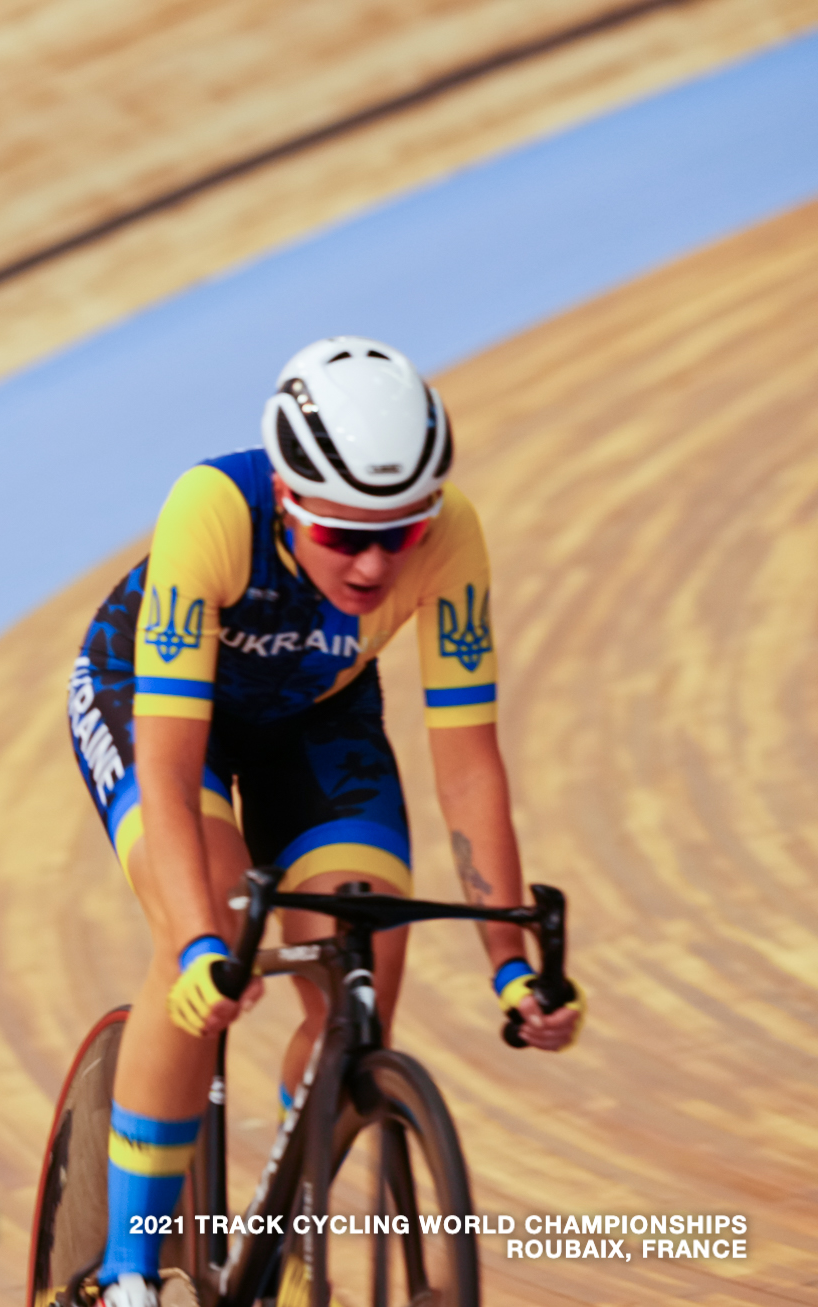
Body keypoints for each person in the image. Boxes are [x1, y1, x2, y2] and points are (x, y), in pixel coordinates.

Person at [64, 337, 586, 1307]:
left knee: (361, 957)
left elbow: (469, 771)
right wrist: (192, 948)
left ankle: (292, 1246)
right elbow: (173, 775)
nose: (377, 561)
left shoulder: (454, 535)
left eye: (403, 531)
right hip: (159, 701)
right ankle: (129, 1268)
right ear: (289, 498)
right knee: (213, 919)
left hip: (316, 713)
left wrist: (512, 965)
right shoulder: (215, 509)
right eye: (345, 535)